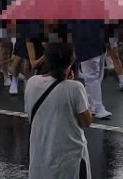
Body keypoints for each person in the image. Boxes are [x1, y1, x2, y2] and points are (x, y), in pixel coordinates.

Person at [24, 42, 93, 179]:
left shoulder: (31, 83)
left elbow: (31, 115)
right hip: (70, 160)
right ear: (71, 61)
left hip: (40, 156)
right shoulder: (75, 88)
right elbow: (86, 121)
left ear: (47, 59)